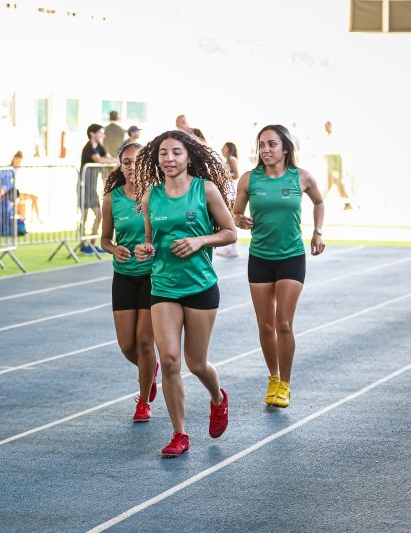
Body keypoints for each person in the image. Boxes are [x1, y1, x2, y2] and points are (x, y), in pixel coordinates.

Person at [133, 129, 236, 458]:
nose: (169, 159)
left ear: (189, 156)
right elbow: (151, 240)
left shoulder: (204, 190)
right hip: (163, 287)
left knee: (196, 362)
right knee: (171, 361)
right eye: (163, 153)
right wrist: (144, 250)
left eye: (176, 152)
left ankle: (218, 399)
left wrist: (200, 241)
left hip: (200, 285)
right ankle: (180, 434)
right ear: (156, 158)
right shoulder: (152, 196)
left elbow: (230, 232)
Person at [232, 125, 325, 409]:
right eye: (261, 145)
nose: (266, 150)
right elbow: (235, 214)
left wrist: (318, 231)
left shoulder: (302, 177)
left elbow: (319, 202)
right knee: (265, 325)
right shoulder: (249, 180)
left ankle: (285, 383)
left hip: (291, 257)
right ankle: (272, 377)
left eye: (272, 144)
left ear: (285, 148)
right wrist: (238, 219)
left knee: (284, 323)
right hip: (260, 257)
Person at [99, 142, 158, 422]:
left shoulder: (156, 195)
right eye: (126, 162)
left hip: (151, 275)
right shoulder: (112, 199)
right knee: (127, 345)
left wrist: (151, 247)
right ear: (119, 166)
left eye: (136, 162)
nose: (131, 167)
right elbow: (104, 239)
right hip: (123, 274)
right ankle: (149, 370)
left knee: (145, 342)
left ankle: (144, 400)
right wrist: (114, 249)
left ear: (146, 164)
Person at [80, 124, 118, 253]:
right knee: (84, 216)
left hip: (92, 187)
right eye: (100, 133)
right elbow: (100, 160)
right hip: (84, 185)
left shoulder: (99, 147)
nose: (103, 135)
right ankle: (83, 244)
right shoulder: (88, 147)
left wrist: (116, 161)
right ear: (92, 134)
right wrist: (117, 161)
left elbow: (107, 157)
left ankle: (91, 244)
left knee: (99, 214)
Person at [216, 142, 241, 258]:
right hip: (228, 193)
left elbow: (236, 175)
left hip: (231, 194)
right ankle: (230, 247)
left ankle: (233, 248)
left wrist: (223, 176)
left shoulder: (232, 159)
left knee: (230, 218)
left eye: (224, 147)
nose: (222, 149)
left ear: (229, 148)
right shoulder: (227, 160)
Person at [321, 120, 353, 210]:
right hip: (329, 160)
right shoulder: (324, 137)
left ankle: (347, 203)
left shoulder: (335, 136)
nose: (326, 127)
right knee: (329, 182)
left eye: (328, 125)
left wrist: (336, 170)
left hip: (336, 160)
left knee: (338, 182)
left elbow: (338, 154)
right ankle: (320, 202)